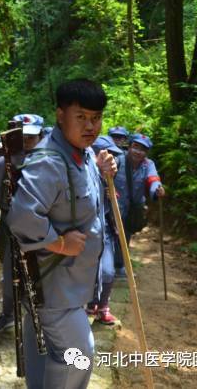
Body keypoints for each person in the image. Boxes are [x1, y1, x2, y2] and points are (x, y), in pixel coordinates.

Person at [6, 79, 117, 389]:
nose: (90, 125)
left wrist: (103, 168)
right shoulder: (50, 162)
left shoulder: (80, 154)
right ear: (59, 114)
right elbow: (22, 216)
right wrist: (59, 243)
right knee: (79, 355)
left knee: (48, 356)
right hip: (54, 290)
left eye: (96, 118)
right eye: (80, 117)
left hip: (68, 286)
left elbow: (81, 200)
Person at [0, 113, 44, 332]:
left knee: (43, 276)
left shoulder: (49, 163)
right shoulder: (0, 165)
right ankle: (8, 314)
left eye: (31, 137)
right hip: (11, 230)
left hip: (44, 231)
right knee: (10, 277)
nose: (26, 142)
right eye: (22, 137)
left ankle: (41, 318)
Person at [85, 135, 124, 325]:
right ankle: (90, 305)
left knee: (107, 271)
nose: (114, 161)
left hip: (105, 231)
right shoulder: (81, 174)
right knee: (89, 271)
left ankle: (102, 307)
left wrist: (111, 195)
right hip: (85, 232)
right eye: (109, 156)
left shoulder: (110, 177)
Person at [114, 133, 165, 279]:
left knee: (126, 235)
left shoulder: (148, 165)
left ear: (146, 153)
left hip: (133, 209)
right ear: (129, 147)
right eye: (135, 147)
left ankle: (119, 266)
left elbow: (153, 179)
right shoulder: (118, 160)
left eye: (142, 149)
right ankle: (108, 267)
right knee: (111, 236)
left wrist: (157, 189)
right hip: (113, 207)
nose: (138, 152)